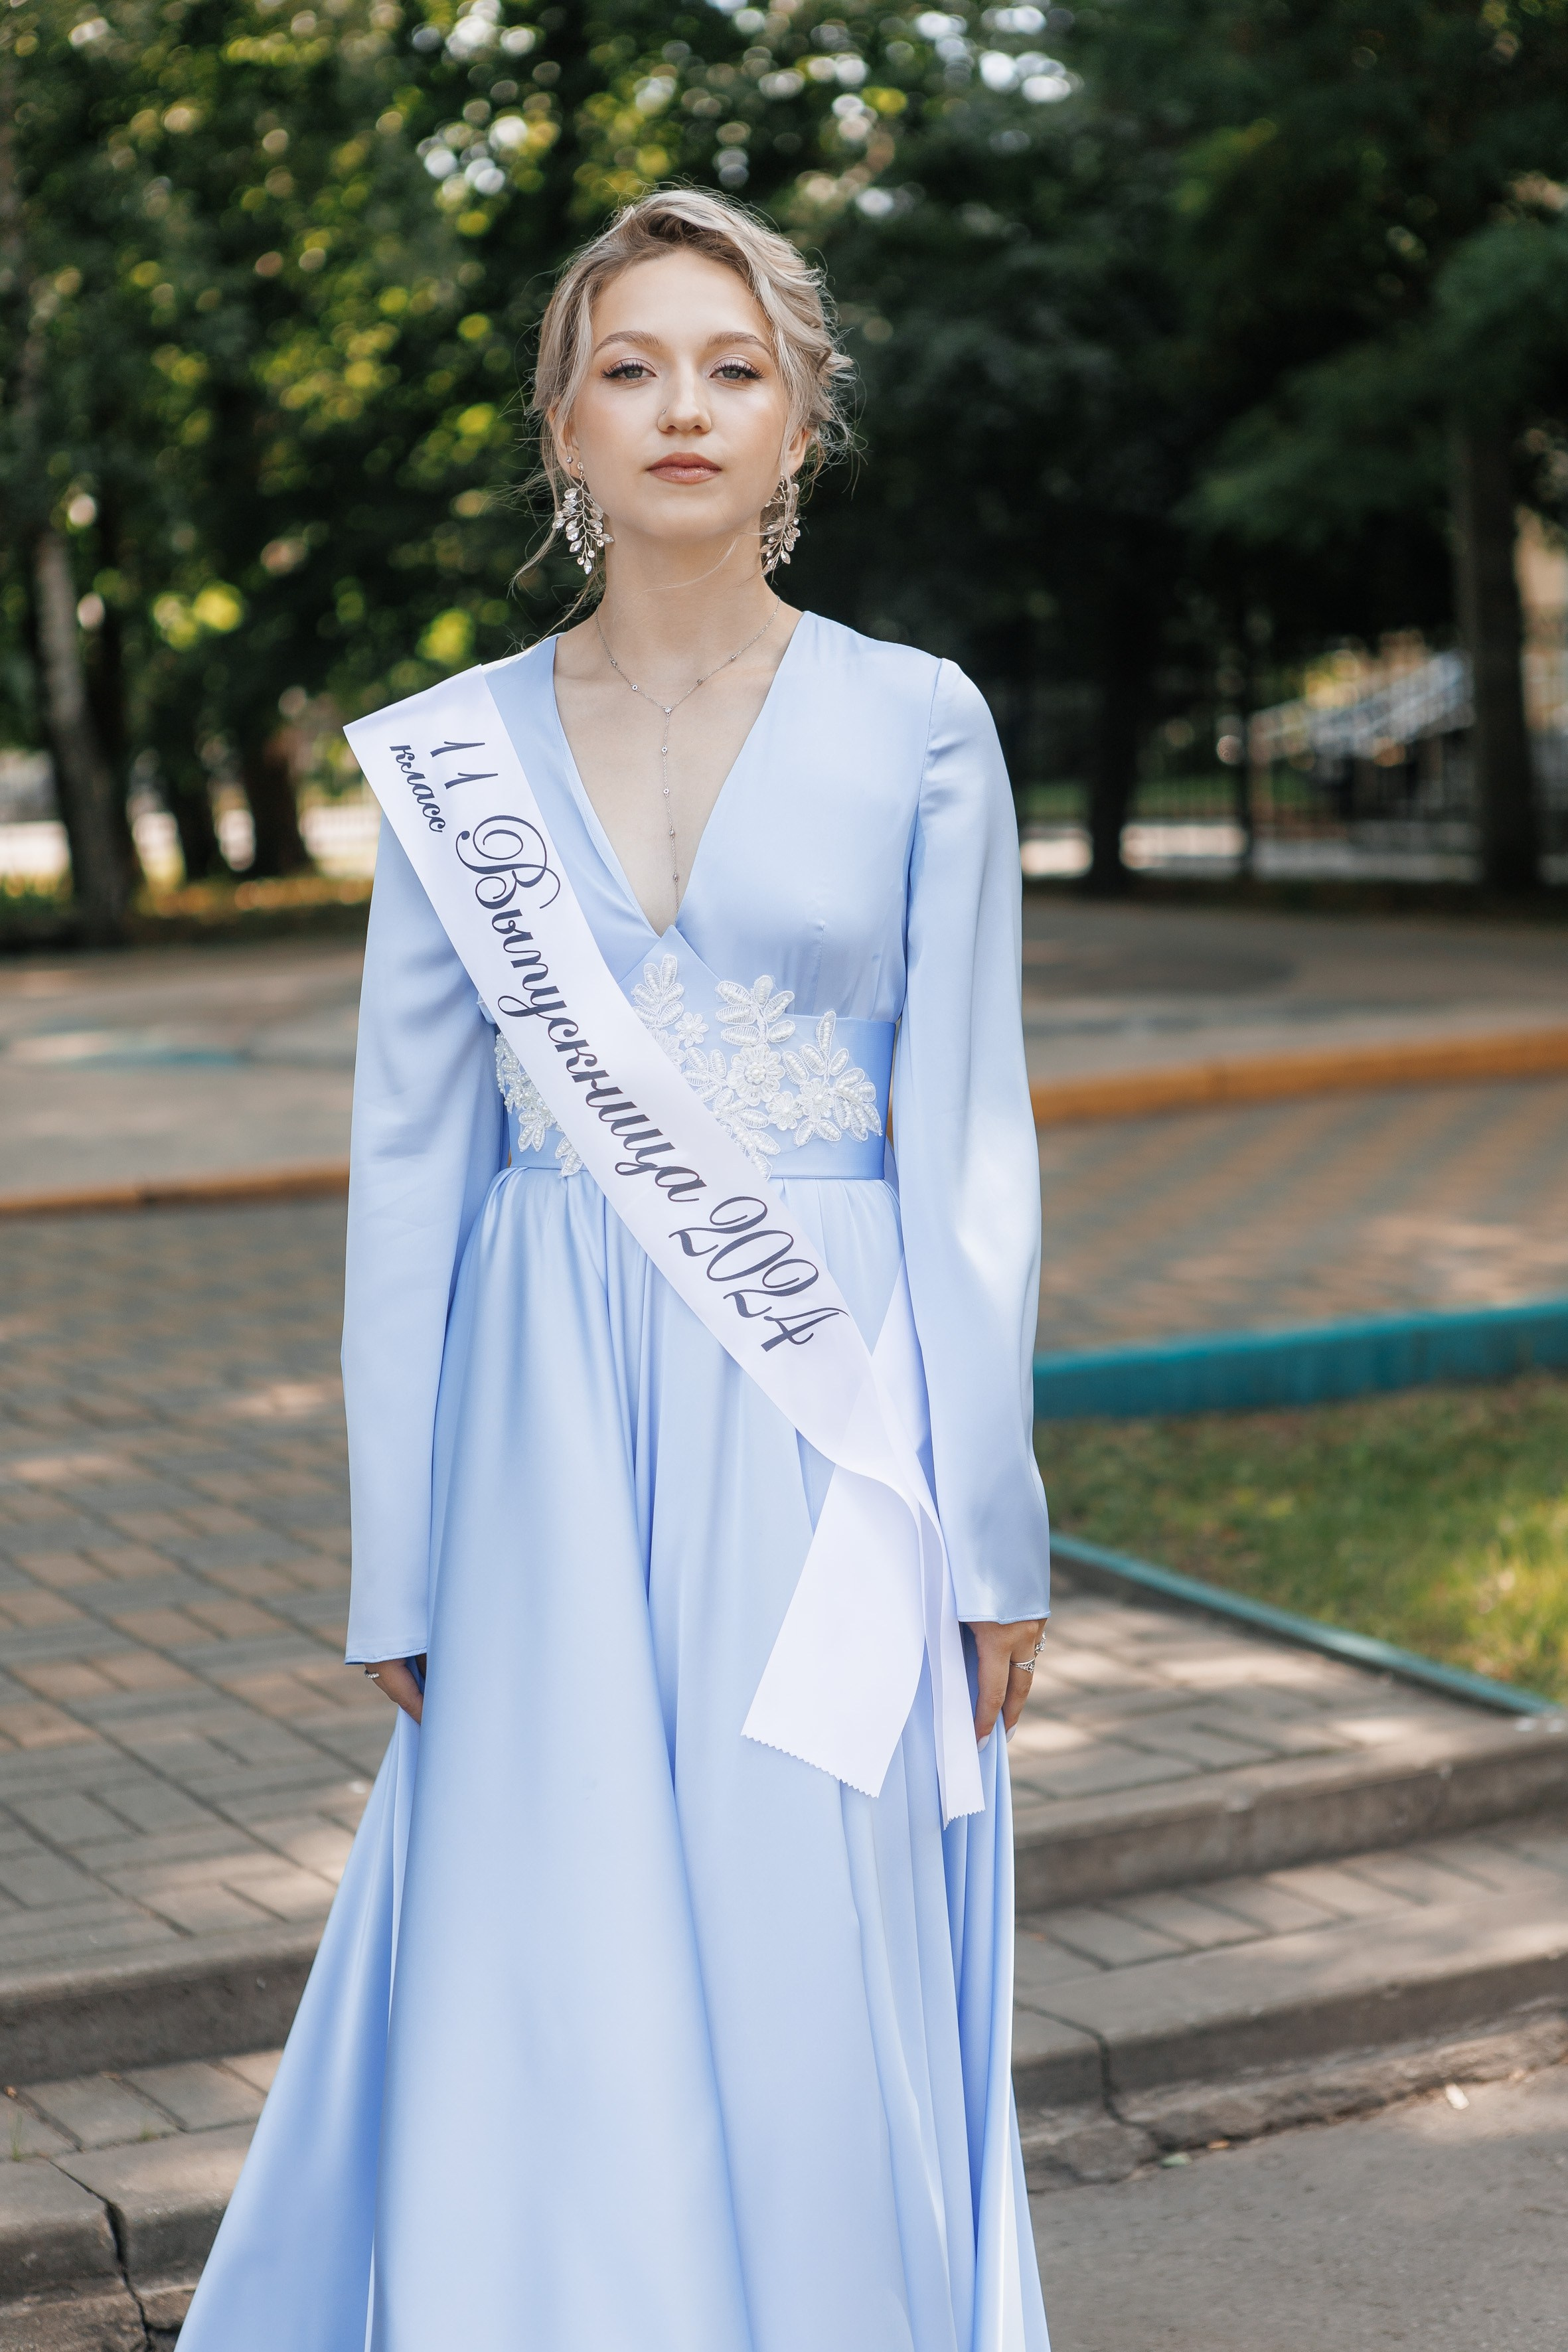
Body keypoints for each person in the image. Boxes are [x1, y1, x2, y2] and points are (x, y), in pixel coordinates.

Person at [180, 187, 1052, 2352]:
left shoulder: (920, 718)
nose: (684, 406)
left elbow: (964, 1145)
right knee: (544, 1918)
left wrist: (988, 1532)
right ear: (561, 425)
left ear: (797, 424)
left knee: (801, 1900)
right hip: (543, 1414)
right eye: (633, 366)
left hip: (824, 1413)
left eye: (733, 367)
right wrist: (400, 1551)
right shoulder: (452, 759)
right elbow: (408, 1161)